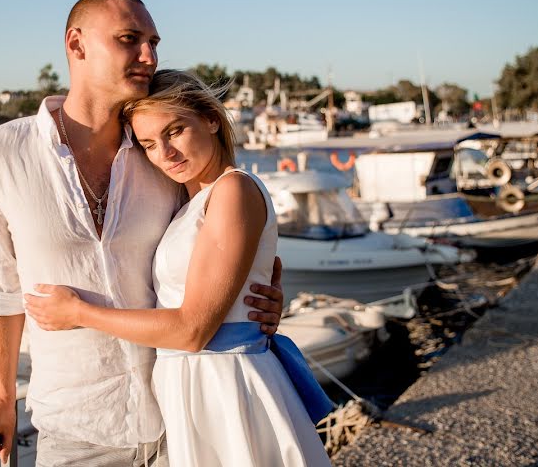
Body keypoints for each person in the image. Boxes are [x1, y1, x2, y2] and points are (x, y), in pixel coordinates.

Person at [0, 0, 285, 466]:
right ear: (77, 44)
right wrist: (0, 395)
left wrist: (254, 301)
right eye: (129, 39)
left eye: (153, 41)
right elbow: (1, 289)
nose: (149, 56)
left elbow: (213, 245)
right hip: (77, 426)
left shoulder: (159, 153)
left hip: (180, 417)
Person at [26, 70, 332, 467]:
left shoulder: (232, 190)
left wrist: (78, 312)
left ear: (210, 119)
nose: (165, 154)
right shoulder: (189, 202)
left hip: (226, 387)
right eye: (149, 144)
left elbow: (192, 331)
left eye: (175, 131)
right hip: (193, 388)